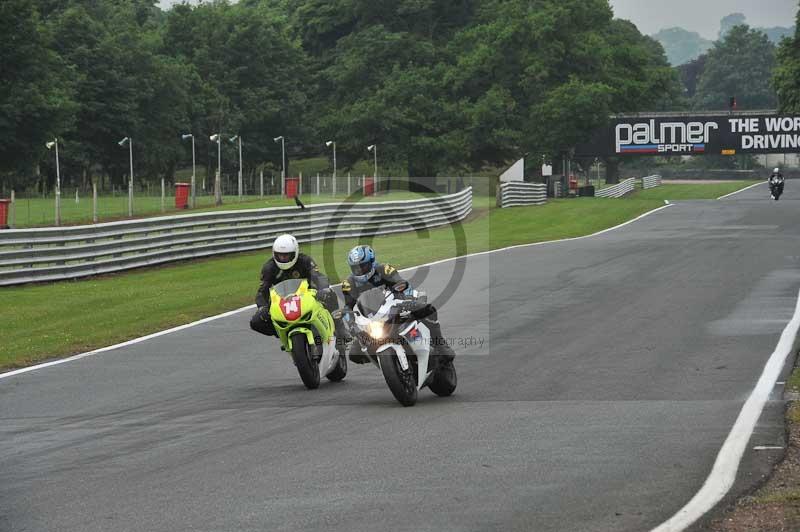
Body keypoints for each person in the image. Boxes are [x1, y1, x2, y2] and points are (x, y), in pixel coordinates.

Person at [342, 244, 456, 365]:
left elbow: (401, 282)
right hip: (372, 317)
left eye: (363, 266)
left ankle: (440, 344)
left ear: (371, 261)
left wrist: (408, 300)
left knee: (428, 310)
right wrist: (351, 323)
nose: (359, 270)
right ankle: (386, 363)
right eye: (356, 268)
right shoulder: (348, 283)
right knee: (354, 354)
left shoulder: (384, 269)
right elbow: (348, 307)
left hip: (396, 304)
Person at [249, 234, 350, 348]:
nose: (283, 258)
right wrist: (262, 307)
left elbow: (318, 276)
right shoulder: (269, 268)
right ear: (274, 254)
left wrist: (322, 289)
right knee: (256, 322)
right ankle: (283, 333)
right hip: (283, 303)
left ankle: (340, 329)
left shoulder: (305, 261)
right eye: (280, 256)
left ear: (295, 253)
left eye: (286, 256)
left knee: (330, 294)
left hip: (307, 298)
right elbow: (262, 291)